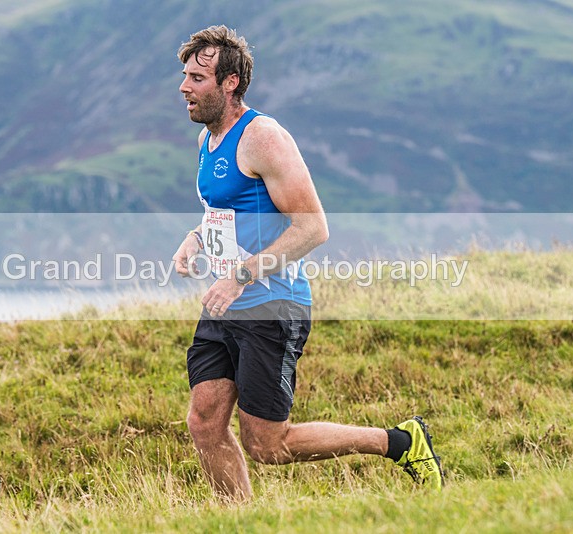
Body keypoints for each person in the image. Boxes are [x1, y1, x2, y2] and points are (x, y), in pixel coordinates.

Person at [172, 25, 443, 501]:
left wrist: (239, 276)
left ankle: (400, 442)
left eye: (197, 77)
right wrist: (195, 238)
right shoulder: (206, 142)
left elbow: (313, 228)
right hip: (224, 307)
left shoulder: (263, 137)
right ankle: (237, 521)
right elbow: (228, 212)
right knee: (204, 422)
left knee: (268, 444)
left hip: (271, 307)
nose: (184, 87)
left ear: (229, 82)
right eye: (185, 76)